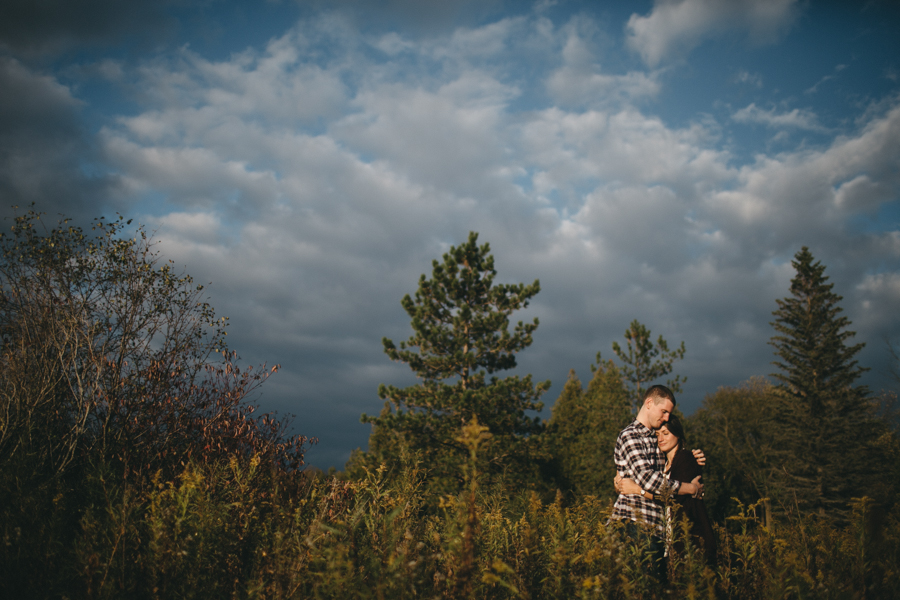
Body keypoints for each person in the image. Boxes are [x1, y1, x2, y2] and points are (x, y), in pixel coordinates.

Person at [609, 385, 703, 583]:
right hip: (635, 522)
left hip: (657, 528)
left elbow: (669, 467)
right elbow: (649, 480)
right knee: (642, 587)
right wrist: (690, 488)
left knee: (655, 587)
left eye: (669, 413)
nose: (667, 417)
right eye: (664, 411)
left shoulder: (656, 438)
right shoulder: (630, 436)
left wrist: (690, 456)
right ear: (649, 403)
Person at [616, 414, 717, 566]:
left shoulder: (685, 458)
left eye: (666, 433)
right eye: (657, 435)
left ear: (677, 434)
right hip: (672, 538)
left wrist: (638, 490)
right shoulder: (661, 464)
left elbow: (673, 497)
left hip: (691, 537)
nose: (660, 439)